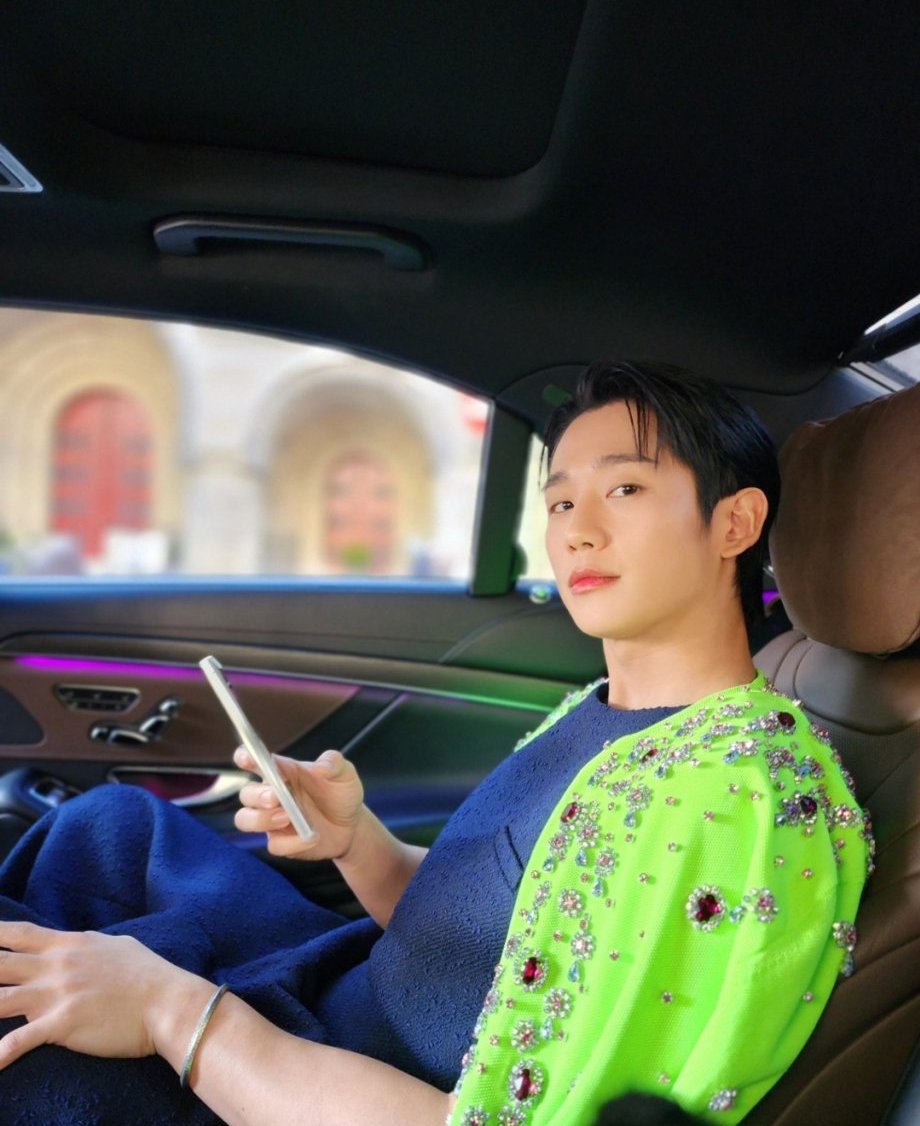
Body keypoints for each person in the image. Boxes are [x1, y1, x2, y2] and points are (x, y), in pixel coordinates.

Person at [0, 361, 870, 1126]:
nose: (577, 528)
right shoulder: (606, 710)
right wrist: (357, 843)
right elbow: (509, 938)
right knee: (111, 825)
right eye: (561, 500)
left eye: (625, 490)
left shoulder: (730, 797)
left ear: (735, 523)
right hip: (330, 998)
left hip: (320, 1084)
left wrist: (170, 1014)